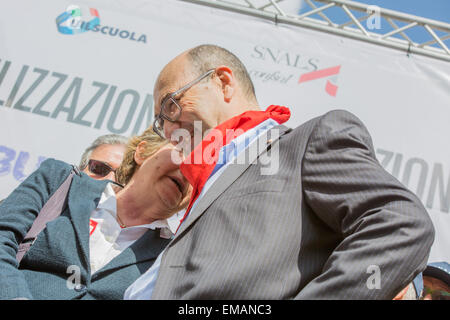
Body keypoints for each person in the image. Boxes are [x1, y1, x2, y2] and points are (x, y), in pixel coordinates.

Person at [124, 44, 435, 300]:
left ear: (223, 82)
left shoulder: (306, 142)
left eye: (170, 105)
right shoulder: (201, 186)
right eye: (158, 122)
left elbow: (400, 222)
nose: (166, 129)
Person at [0, 128, 190, 299]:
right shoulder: (58, 180)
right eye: (184, 151)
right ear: (142, 151)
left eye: (201, 172)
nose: (189, 170)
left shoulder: (174, 256)